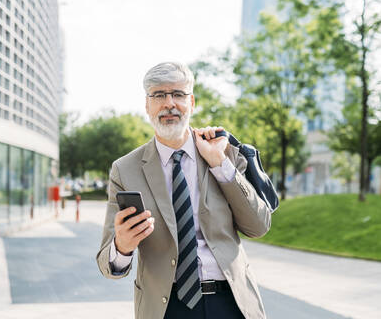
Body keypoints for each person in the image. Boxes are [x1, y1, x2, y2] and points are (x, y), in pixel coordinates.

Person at [96, 62, 271, 319]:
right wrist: (121, 246)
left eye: (178, 94)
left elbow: (259, 226)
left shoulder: (225, 153)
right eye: (159, 95)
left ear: (192, 102)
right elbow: (108, 266)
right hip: (166, 307)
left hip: (231, 302)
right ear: (147, 105)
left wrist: (220, 165)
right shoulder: (125, 170)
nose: (169, 103)